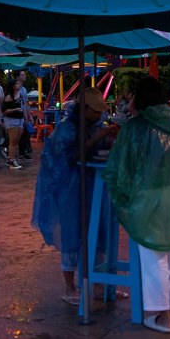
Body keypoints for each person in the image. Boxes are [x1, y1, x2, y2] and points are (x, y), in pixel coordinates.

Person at [105, 76, 170, 334]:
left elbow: (121, 167)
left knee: (154, 259)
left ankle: (161, 317)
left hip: (150, 197)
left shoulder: (136, 127)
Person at [31, 88, 116, 305]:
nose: (99, 116)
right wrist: (98, 137)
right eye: (96, 112)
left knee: (97, 232)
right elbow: (70, 158)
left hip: (94, 184)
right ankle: (70, 287)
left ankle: (97, 285)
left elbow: (101, 148)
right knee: (73, 235)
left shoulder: (96, 125)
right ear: (85, 109)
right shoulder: (66, 129)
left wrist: (110, 139)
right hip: (70, 187)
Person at [2, 78, 26, 169]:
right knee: (12, 141)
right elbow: (4, 111)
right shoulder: (9, 97)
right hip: (12, 119)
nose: (19, 85)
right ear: (13, 86)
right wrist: (15, 109)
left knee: (16, 140)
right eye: (17, 84)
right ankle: (12, 161)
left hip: (20, 119)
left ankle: (9, 158)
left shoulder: (20, 94)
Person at [17, 71, 34, 160]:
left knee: (25, 133)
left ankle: (23, 152)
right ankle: (22, 152)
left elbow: (26, 104)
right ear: (18, 77)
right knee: (21, 134)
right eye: (22, 75)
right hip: (17, 115)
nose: (25, 76)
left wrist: (28, 115)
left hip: (23, 115)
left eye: (24, 74)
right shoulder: (15, 89)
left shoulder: (24, 89)